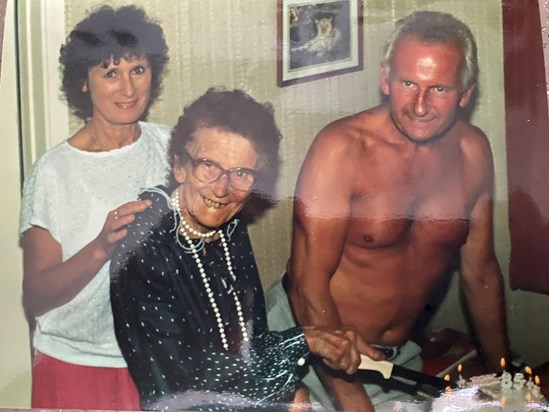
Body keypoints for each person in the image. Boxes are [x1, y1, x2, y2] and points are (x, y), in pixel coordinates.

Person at [266, 10, 510, 411]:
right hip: (306, 347)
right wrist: (353, 401)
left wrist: (504, 376)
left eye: (440, 89)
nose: (419, 105)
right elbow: (306, 286)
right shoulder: (341, 150)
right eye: (408, 83)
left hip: (389, 360)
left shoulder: (473, 152)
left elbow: (480, 272)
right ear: (385, 79)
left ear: (466, 93)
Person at [110, 88, 381, 411]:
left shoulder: (230, 230)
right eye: (208, 165)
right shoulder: (144, 240)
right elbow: (188, 377)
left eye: (241, 173)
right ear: (180, 164)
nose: (222, 188)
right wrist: (304, 341)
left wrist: (315, 344)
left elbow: (248, 349)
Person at [19, 5, 170, 410]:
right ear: (83, 82)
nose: (128, 89)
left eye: (137, 70)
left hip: (159, 358)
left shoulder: (173, 149)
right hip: (75, 364)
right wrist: (101, 247)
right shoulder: (53, 172)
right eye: (110, 73)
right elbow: (35, 295)